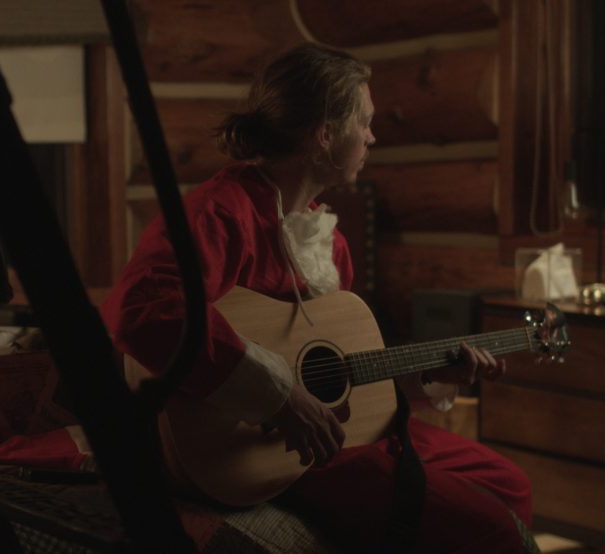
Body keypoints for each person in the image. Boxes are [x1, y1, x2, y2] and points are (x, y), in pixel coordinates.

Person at [101, 43, 534, 552]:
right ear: (324, 135)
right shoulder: (220, 212)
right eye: (364, 122)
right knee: (493, 528)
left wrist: (433, 376)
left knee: (509, 484)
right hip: (271, 449)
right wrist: (280, 398)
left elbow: (341, 374)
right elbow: (142, 311)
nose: (372, 136)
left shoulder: (331, 241)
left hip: (345, 434)